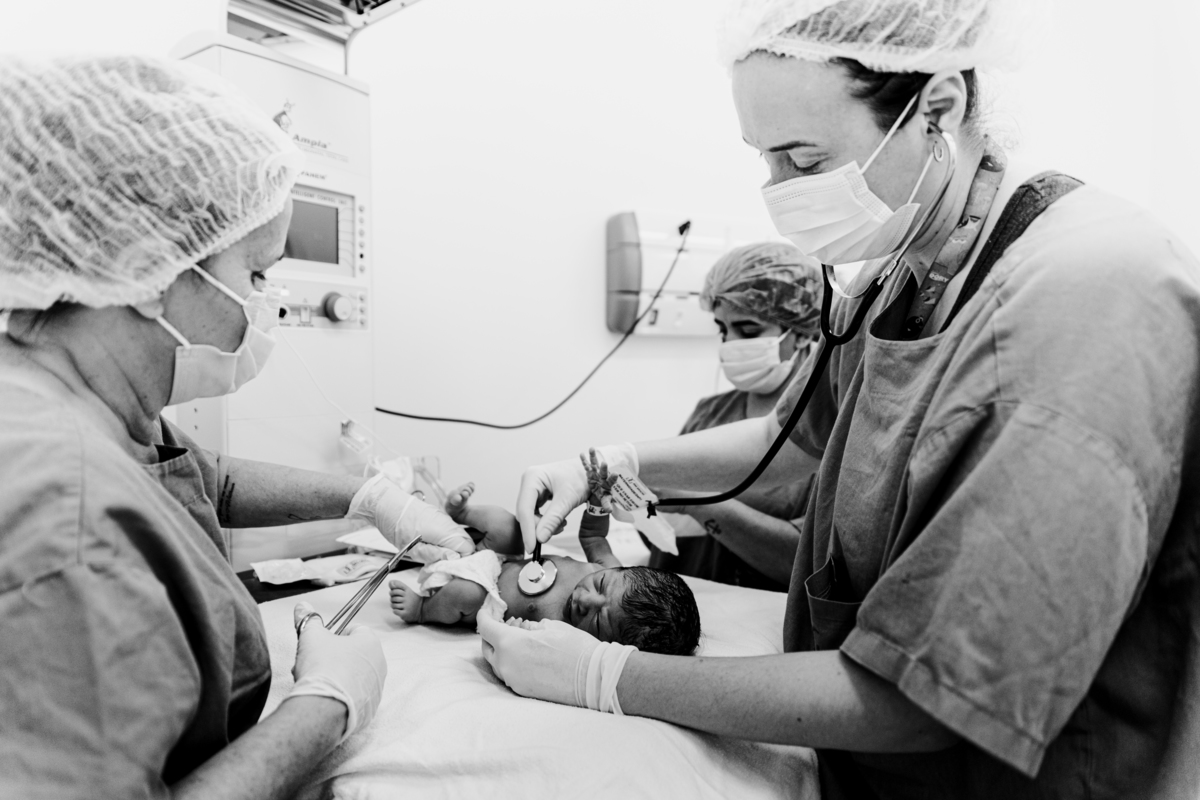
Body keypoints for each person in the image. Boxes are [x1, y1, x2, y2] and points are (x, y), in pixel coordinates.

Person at [480, 1, 1200, 798]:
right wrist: (604, 463)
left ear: (939, 108)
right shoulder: (906, 272)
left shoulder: (1083, 302)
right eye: (764, 160)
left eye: (804, 160)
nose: (777, 194)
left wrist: (612, 677)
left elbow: (927, 695)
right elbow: (799, 445)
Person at [0, 57, 475, 800]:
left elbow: (197, 479)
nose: (268, 306)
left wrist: (373, 499)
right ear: (142, 264)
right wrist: (323, 709)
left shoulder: (73, 391)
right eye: (256, 275)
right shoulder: (64, 519)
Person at [391, 456, 702, 656]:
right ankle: (462, 512)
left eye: (597, 621)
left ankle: (423, 608)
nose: (587, 600)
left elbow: (518, 642)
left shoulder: (567, 638)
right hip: (496, 559)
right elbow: (593, 535)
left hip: (486, 596)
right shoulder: (609, 566)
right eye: (602, 585)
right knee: (508, 526)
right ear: (624, 571)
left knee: (466, 593)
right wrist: (595, 499)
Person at [647, 241, 822, 590]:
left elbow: (809, 563)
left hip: (765, 622)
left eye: (748, 330)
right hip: (681, 602)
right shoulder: (709, 413)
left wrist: (698, 503)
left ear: (801, 332)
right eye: (722, 329)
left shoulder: (824, 429)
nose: (729, 343)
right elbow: (663, 536)